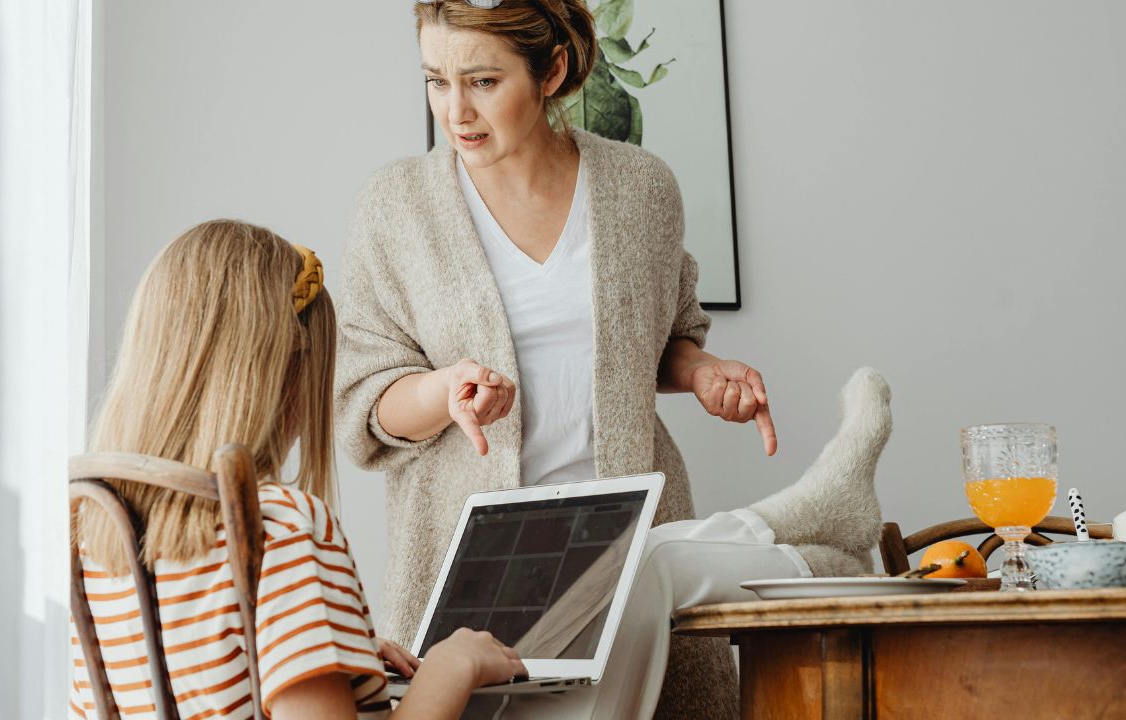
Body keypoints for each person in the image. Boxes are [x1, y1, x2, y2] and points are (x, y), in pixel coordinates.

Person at [333, 1, 784, 715]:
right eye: (436, 81)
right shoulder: (395, 207)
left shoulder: (643, 189)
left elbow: (661, 337)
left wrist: (699, 371)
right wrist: (443, 390)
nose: (456, 112)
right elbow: (364, 402)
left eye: (482, 81)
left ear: (554, 71)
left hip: (629, 554)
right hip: (473, 573)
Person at [68, 220, 527, 720]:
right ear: (290, 369)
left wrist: (325, 649)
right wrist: (451, 666)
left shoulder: (94, 526)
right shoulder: (278, 527)